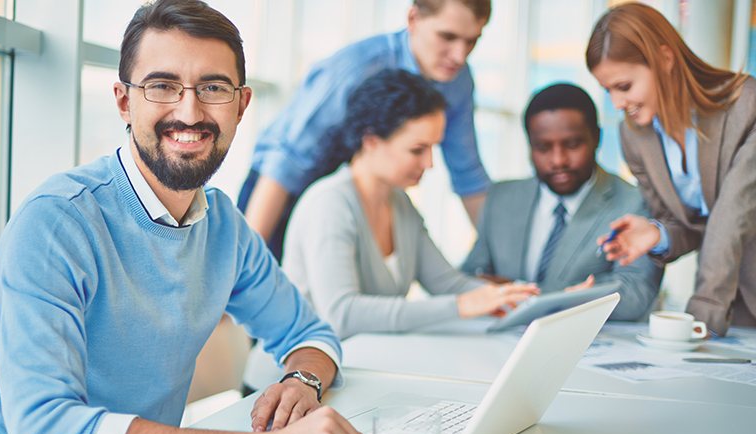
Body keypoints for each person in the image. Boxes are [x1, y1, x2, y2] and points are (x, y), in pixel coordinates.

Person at [0, 1, 362, 434]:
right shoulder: (57, 223)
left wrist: (302, 381)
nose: (190, 111)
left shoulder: (223, 225)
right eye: (162, 85)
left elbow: (310, 334)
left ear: (241, 106)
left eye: (213, 88)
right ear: (124, 100)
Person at [242, 69, 538, 392]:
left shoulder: (400, 205)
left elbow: (447, 283)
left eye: (433, 149)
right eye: (417, 149)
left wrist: (520, 300)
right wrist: (461, 306)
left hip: (350, 377)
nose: (429, 163)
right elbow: (342, 314)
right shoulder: (330, 203)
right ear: (371, 141)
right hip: (283, 387)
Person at [238, 0, 493, 261]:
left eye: (472, 41)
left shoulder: (458, 80)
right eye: (447, 36)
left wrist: (499, 259)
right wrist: (246, 262)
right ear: (413, 19)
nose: (459, 56)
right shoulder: (357, 67)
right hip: (281, 192)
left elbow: (467, 172)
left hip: (359, 197)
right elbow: (286, 163)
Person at [586, 3, 756, 335]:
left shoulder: (747, 108)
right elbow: (689, 225)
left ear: (664, 59)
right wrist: (657, 233)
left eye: (624, 86)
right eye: (608, 90)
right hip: (736, 307)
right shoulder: (634, 136)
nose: (617, 104)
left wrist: (698, 319)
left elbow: (732, 216)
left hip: (717, 300)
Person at [462, 84, 663, 321]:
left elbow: (634, 297)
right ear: (530, 146)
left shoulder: (634, 202)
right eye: (543, 147)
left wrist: (520, 293)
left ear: (597, 138)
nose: (558, 161)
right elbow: (469, 277)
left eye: (572, 145)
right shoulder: (502, 197)